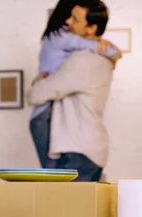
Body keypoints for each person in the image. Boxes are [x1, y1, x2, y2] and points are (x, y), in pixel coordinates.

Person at [27, 0, 116, 182]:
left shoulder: (83, 60)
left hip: (78, 152)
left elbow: (37, 95)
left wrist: (37, 83)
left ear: (91, 28)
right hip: (87, 150)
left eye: (75, 19)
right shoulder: (99, 60)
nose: (68, 22)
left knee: (66, 208)